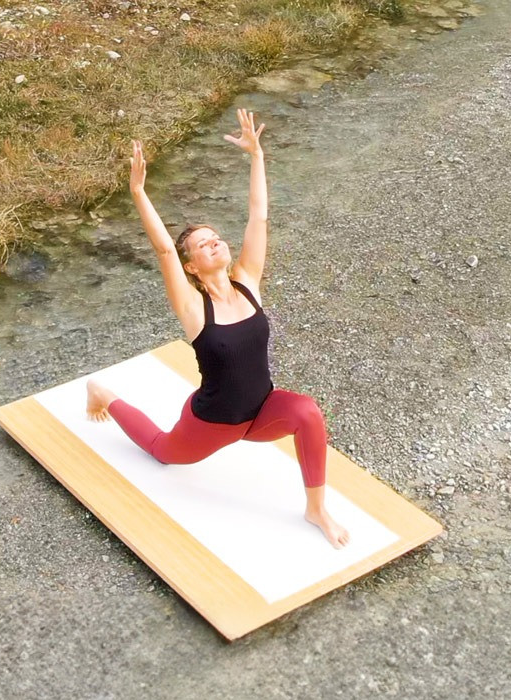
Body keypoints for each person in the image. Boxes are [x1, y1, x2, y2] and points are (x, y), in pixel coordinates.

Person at [84, 109, 350, 549]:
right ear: (192, 266)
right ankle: (104, 394)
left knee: (307, 412)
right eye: (202, 244)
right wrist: (138, 192)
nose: (215, 242)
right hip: (213, 422)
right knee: (162, 451)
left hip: (261, 412)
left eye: (215, 237)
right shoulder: (193, 307)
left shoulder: (247, 282)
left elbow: (258, 216)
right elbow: (164, 250)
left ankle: (317, 509)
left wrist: (257, 156)